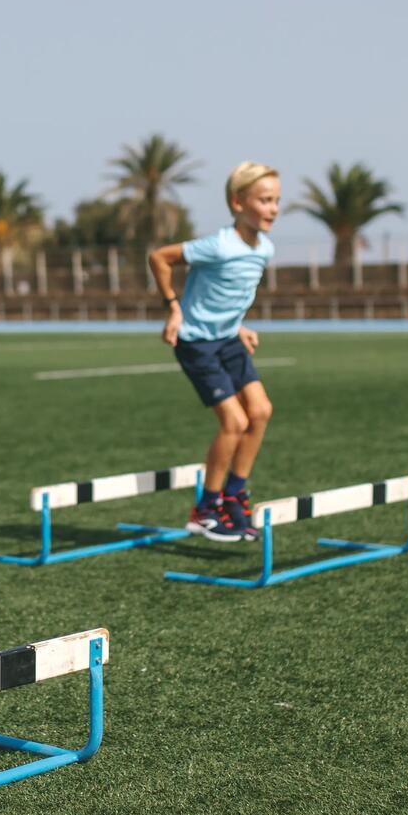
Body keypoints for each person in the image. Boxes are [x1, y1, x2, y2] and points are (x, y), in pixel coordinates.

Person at [147, 161, 280, 541]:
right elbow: (160, 257)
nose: (273, 208)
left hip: (227, 339)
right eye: (265, 200)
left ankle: (234, 496)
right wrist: (173, 307)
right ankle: (204, 509)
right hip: (197, 343)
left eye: (276, 200)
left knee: (261, 411)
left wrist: (238, 325)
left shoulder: (264, 248)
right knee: (234, 422)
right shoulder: (218, 245)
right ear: (238, 203)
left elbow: (227, 293)